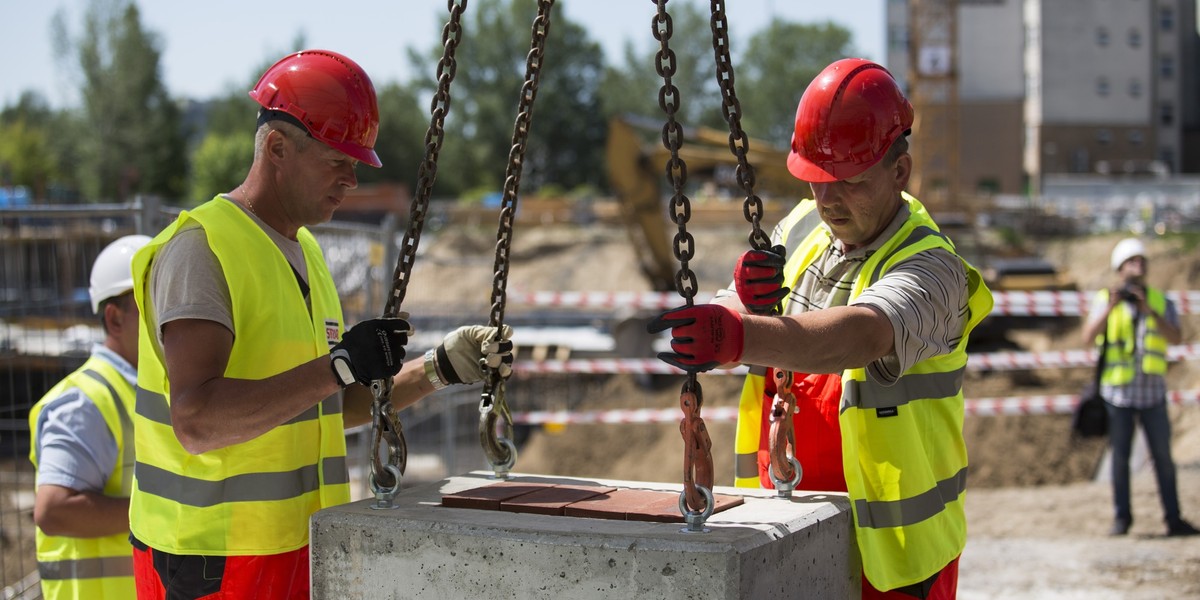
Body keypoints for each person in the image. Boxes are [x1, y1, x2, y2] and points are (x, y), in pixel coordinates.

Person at [126, 49, 514, 600]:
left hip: (300, 550)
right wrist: (339, 365)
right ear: (278, 149)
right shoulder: (201, 250)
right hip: (210, 564)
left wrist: (437, 369)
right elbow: (196, 421)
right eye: (339, 162)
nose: (351, 181)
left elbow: (330, 407)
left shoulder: (305, 253)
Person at [649, 58, 993, 599]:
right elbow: (743, 329)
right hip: (780, 527)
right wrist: (741, 309)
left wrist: (741, 335)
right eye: (815, 182)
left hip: (895, 562)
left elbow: (859, 336)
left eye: (849, 183)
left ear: (899, 174)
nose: (827, 201)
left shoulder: (934, 270)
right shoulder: (807, 224)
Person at [28, 234, 150, 599]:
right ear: (114, 319)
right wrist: (160, 511)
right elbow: (54, 510)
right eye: (152, 305)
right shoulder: (87, 400)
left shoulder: (147, 392)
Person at [1081, 237, 1198, 537]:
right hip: (1118, 394)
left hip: (1152, 393)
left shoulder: (1159, 301)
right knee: (1120, 461)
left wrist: (1150, 312)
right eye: (1132, 261)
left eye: (1141, 261)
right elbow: (1087, 337)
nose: (1138, 266)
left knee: (1163, 459)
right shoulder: (1107, 299)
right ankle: (1122, 519)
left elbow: (1176, 338)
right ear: (1119, 268)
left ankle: (1173, 519)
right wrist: (1109, 308)